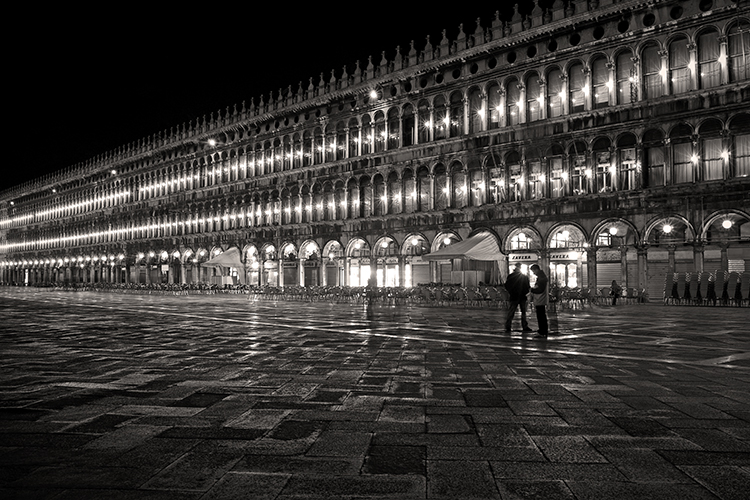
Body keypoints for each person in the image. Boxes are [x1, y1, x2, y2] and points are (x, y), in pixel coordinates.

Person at [504, 263, 532, 333]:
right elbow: (527, 287)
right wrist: (525, 292)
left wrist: (511, 292)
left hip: (514, 296)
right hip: (522, 296)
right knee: (523, 312)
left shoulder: (510, 276)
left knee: (511, 311)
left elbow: (507, 285)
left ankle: (508, 326)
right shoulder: (524, 277)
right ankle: (524, 326)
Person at [529, 264, 549, 337]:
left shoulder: (541, 278)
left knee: (541, 316)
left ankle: (542, 331)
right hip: (541, 299)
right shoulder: (542, 277)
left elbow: (540, 290)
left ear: (536, 270)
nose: (533, 273)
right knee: (541, 315)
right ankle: (542, 330)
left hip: (540, 299)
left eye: (533, 271)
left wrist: (532, 290)